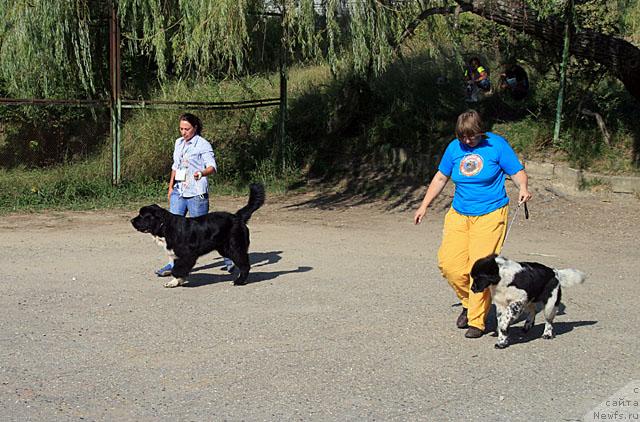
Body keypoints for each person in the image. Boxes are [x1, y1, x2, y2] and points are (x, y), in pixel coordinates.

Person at [413, 109, 532, 338]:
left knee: (479, 268)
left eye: (472, 136)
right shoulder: (454, 148)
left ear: (481, 132)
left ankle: (477, 321)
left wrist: (523, 188)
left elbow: (517, 172)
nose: (468, 141)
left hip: (491, 214)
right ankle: (469, 302)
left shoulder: (496, 145)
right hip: (459, 213)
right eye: (463, 137)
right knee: (450, 265)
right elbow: (440, 177)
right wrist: (424, 205)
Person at [155, 113, 235, 277]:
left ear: (195, 128)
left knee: (204, 231)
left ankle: (230, 260)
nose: (183, 132)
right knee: (173, 231)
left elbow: (212, 166)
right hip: (179, 191)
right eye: (181, 129)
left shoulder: (202, 144)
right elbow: (175, 167)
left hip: (196, 192)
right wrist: (171, 187)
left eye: (187, 129)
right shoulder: (178, 143)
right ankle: (173, 264)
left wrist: (202, 172)